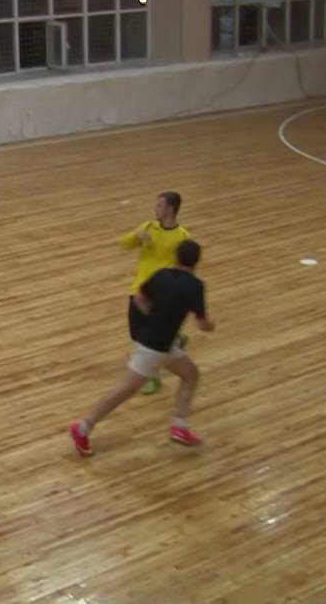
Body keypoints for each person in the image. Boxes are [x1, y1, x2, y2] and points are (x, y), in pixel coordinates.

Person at [70, 239, 215, 456]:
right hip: (155, 349)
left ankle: (180, 426)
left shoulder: (161, 275)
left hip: (160, 344)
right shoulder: (195, 286)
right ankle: (83, 428)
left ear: (176, 256)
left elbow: (139, 299)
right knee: (125, 389)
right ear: (196, 262)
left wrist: (154, 319)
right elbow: (203, 325)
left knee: (191, 374)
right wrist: (211, 325)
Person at [119, 191, 191, 396]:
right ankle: (176, 337)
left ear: (170, 209)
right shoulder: (148, 227)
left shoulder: (183, 237)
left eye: (159, 205)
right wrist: (137, 237)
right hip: (140, 291)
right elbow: (124, 243)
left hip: (162, 294)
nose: (156, 208)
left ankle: (152, 377)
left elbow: (186, 267)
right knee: (136, 334)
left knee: (148, 339)